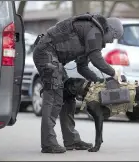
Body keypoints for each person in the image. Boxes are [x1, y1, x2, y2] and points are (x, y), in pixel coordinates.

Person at [33, 13, 124, 154]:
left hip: (54, 58)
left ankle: (71, 140)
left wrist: (100, 82)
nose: (111, 42)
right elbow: (96, 59)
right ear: (110, 30)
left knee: (68, 96)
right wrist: (113, 73)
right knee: (54, 97)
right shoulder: (94, 30)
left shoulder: (90, 34)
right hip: (45, 53)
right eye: (113, 37)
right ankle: (48, 143)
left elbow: (82, 67)